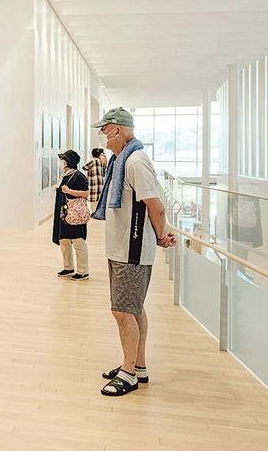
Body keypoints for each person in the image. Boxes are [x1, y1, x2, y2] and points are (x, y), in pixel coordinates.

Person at [91, 108, 177, 397]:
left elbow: (156, 205)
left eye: (105, 129)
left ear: (117, 130)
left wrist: (162, 235)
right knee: (133, 309)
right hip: (121, 248)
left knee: (122, 310)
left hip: (132, 250)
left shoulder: (135, 162)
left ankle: (128, 373)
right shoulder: (120, 160)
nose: (102, 135)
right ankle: (137, 366)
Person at [53, 150, 90, 281]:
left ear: (68, 162)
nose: (60, 162)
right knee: (64, 241)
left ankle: (83, 270)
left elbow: (85, 193)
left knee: (78, 241)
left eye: (62, 160)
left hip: (75, 215)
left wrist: (69, 191)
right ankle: (68, 267)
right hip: (63, 214)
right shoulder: (64, 175)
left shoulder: (78, 176)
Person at [83, 148, 106, 214]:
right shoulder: (100, 161)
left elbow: (84, 167)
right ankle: (97, 212)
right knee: (98, 197)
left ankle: (93, 212)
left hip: (93, 182)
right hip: (100, 182)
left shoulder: (92, 161)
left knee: (92, 198)